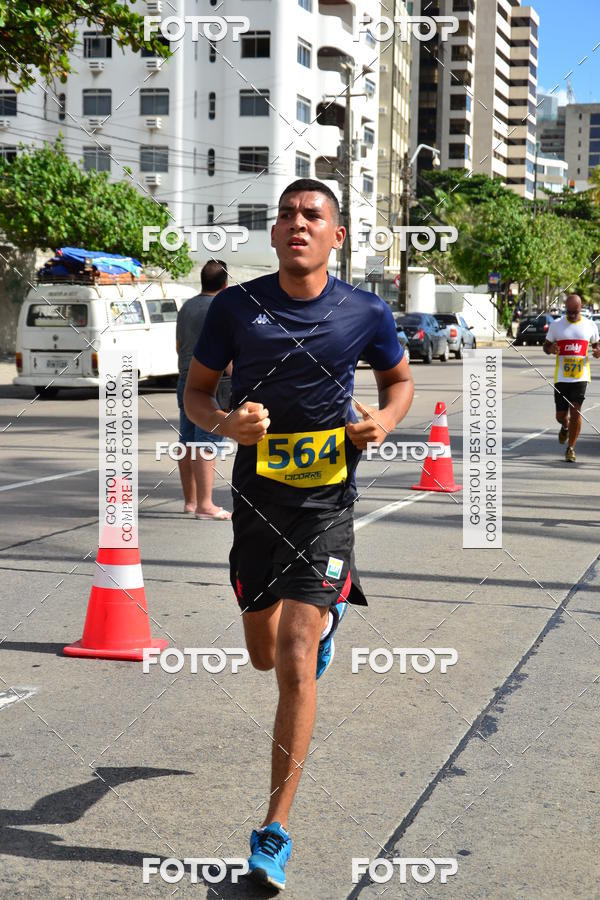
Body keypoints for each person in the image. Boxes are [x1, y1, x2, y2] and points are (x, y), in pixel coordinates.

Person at [184, 178, 413, 891]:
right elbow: (195, 392)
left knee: (295, 652)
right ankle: (311, 623)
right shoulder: (236, 306)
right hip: (257, 502)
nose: (296, 224)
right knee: (260, 652)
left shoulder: (365, 311)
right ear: (275, 233)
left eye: (312, 215)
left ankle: (272, 832)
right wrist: (228, 423)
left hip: (325, 505)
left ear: (336, 236)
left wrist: (384, 422)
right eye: (286, 215)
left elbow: (399, 382)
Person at [175, 259, 231, 519]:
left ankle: (191, 501)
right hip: (214, 380)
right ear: (225, 283)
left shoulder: (186, 307)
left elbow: (178, 346)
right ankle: (206, 505)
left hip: (185, 377)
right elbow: (226, 350)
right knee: (207, 440)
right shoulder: (222, 307)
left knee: (187, 441)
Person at [543, 293, 600, 463]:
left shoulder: (590, 325)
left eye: (574, 312)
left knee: (576, 411)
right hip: (561, 378)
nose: (571, 315)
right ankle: (564, 426)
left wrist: (598, 352)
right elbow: (546, 347)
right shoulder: (556, 326)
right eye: (568, 312)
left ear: (580, 308)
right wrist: (551, 349)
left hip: (580, 377)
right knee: (561, 415)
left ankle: (571, 448)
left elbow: (597, 345)